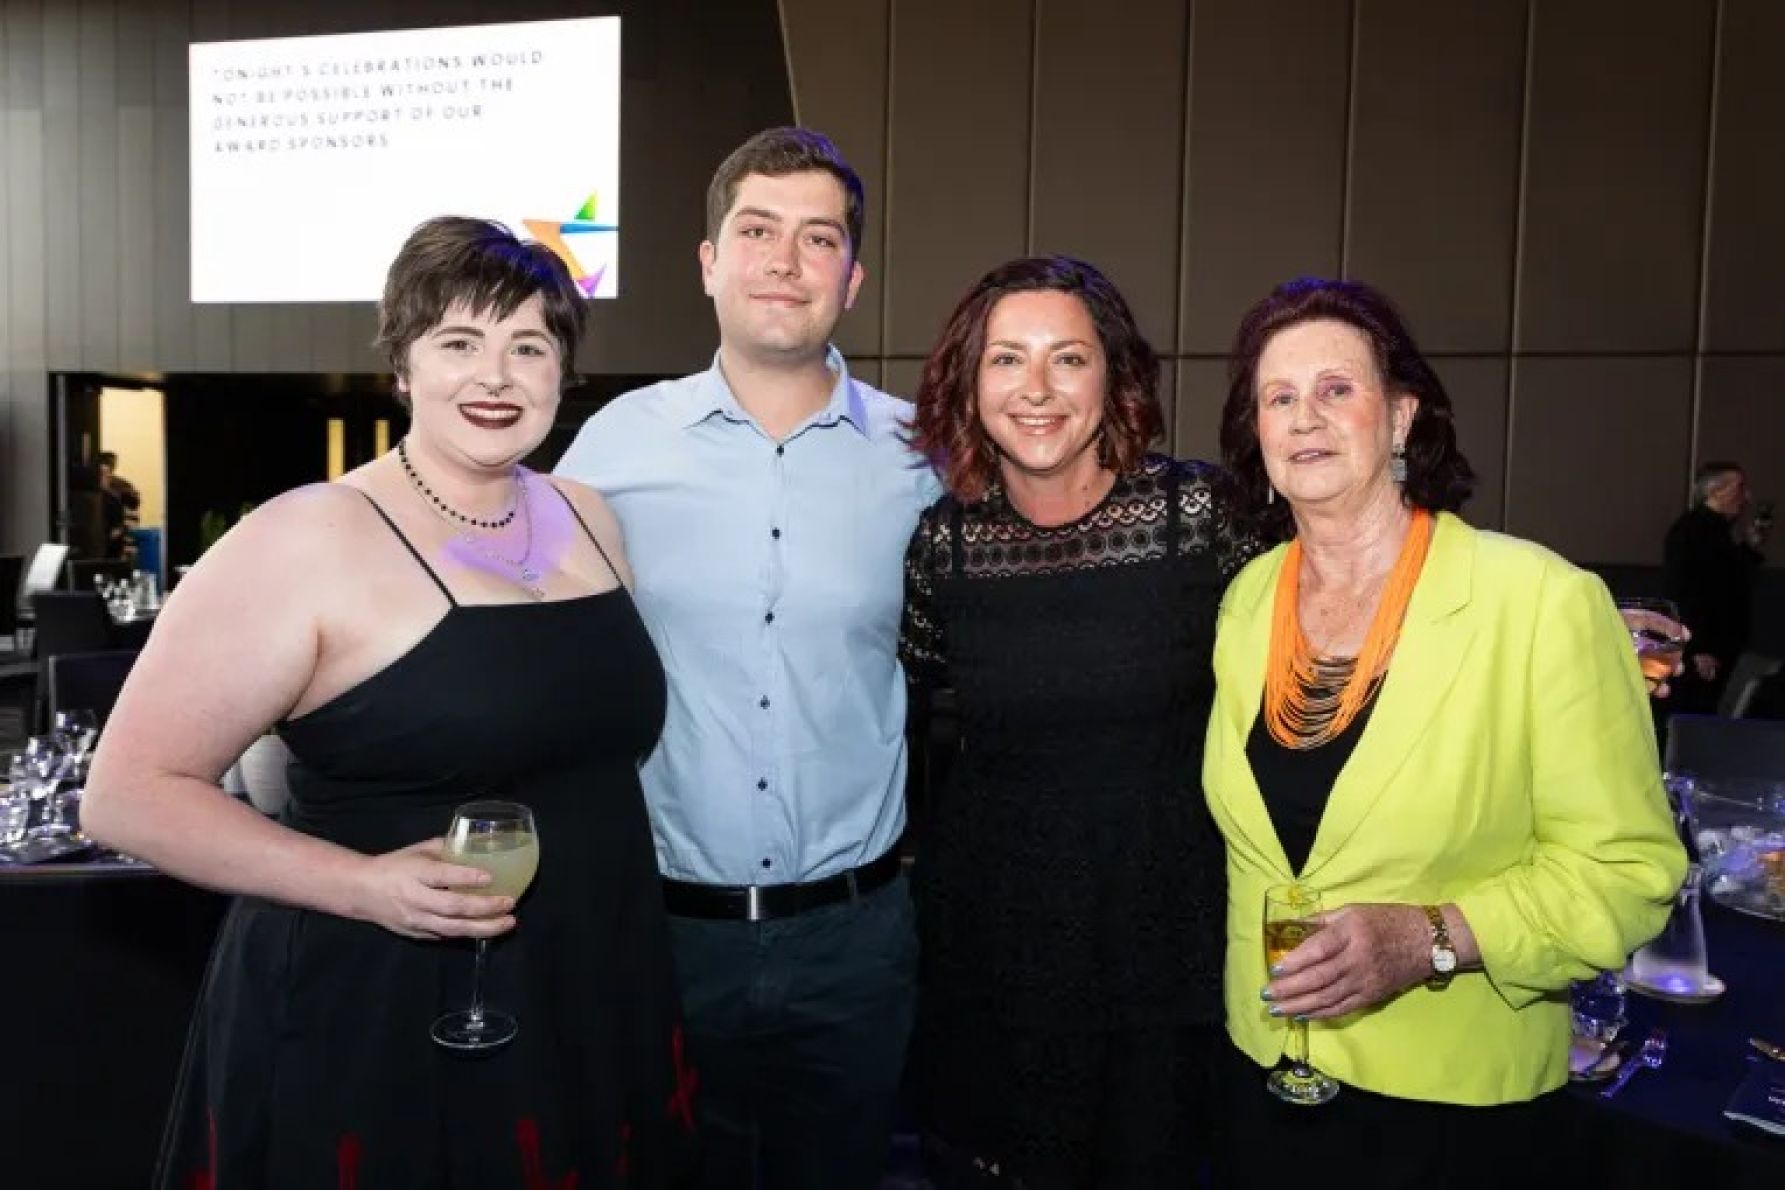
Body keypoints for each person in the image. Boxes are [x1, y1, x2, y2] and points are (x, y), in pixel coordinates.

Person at [82, 217, 697, 1188]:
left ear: (560, 373)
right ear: (403, 366)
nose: (495, 375)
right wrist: (364, 886)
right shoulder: (307, 537)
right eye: (459, 342)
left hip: (586, 975)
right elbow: (126, 794)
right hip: (378, 1002)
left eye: (527, 345)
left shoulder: (589, 516)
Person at [1202, 278, 1687, 1187]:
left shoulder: (1539, 601)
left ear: (1399, 417)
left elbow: (1626, 872)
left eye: (1335, 389)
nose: (1304, 417)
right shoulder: (1247, 600)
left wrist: (1433, 936)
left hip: (1455, 1108)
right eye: (1278, 397)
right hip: (1262, 1072)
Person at [554, 128, 941, 1190]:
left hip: (857, 944)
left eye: (817, 239)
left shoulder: (925, 456)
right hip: (662, 931)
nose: (784, 259)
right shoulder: (614, 446)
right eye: (757, 231)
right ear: (709, 262)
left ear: (851, 279)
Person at [900, 256, 1257, 1187]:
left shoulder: (1199, 514)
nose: (1036, 389)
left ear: (1116, 376)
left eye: (1068, 358)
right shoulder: (946, 543)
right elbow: (920, 709)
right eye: (1005, 360)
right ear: (967, 383)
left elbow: (1333, 627)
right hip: (1000, 942)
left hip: (1169, 933)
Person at [1662, 461, 1768, 714]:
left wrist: (1751, 547)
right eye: (1739, 488)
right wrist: (1698, 648)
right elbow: (1684, 591)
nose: (1747, 497)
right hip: (1705, 652)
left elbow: (1727, 581)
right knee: (1700, 718)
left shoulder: (1718, 531)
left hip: (1721, 647)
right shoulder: (1691, 532)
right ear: (1716, 491)